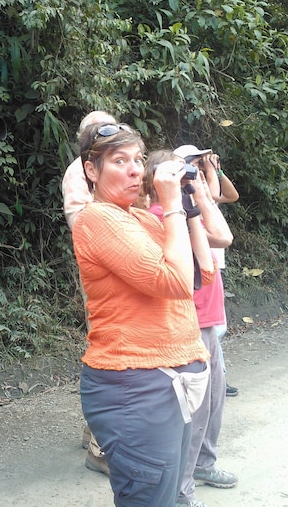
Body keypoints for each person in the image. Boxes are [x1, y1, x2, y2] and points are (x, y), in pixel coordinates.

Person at [72, 122, 214, 506]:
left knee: (171, 496)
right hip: (135, 389)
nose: (136, 169)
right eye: (120, 161)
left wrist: (189, 200)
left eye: (138, 159)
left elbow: (204, 267)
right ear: (91, 170)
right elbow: (176, 283)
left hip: (169, 383)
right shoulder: (96, 219)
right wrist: (169, 205)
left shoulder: (146, 220)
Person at [144, 150, 238, 506]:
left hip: (208, 320)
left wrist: (197, 190)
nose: (190, 175)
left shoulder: (184, 213)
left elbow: (221, 235)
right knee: (193, 414)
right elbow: (224, 237)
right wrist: (192, 196)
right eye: (182, 172)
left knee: (213, 402)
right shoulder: (160, 217)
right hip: (189, 323)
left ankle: (203, 465)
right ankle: (182, 491)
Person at [61, 110, 117, 477]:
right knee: (109, 350)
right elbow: (80, 222)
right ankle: (100, 447)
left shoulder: (116, 165)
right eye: (97, 132)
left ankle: (93, 430)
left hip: (124, 265)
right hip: (102, 272)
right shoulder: (78, 172)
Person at [175, 145, 240, 398]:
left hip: (213, 262)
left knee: (214, 328)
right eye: (193, 162)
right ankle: (213, 378)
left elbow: (231, 195)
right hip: (199, 268)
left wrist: (218, 172)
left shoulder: (201, 186)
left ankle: (217, 376)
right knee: (209, 328)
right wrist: (209, 172)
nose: (198, 167)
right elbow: (212, 196)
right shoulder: (187, 197)